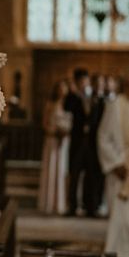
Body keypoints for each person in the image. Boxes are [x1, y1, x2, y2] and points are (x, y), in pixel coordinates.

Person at [97, 77, 129, 257]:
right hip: (120, 167)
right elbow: (102, 137)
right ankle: (118, 252)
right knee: (120, 213)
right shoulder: (115, 105)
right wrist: (116, 163)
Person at [38, 79, 72, 215]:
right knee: (52, 170)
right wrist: (54, 132)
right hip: (52, 140)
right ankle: (49, 203)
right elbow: (44, 124)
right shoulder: (50, 104)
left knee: (62, 171)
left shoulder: (69, 105)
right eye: (59, 88)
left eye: (64, 88)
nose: (61, 91)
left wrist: (65, 133)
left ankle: (60, 204)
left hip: (64, 143)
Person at [64, 68, 92, 216]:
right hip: (77, 140)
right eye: (81, 81)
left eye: (85, 80)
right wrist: (73, 93)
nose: (84, 83)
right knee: (74, 174)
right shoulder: (73, 97)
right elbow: (66, 107)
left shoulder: (92, 95)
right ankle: (72, 206)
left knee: (89, 175)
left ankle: (89, 206)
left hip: (91, 143)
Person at [85, 74, 106, 217]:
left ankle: (97, 204)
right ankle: (89, 205)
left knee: (99, 175)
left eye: (101, 83)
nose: (99, 85)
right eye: (96, 82)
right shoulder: (88, 98)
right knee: (89, 174)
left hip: (102, 142)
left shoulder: (106, 101)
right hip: (89, 143)